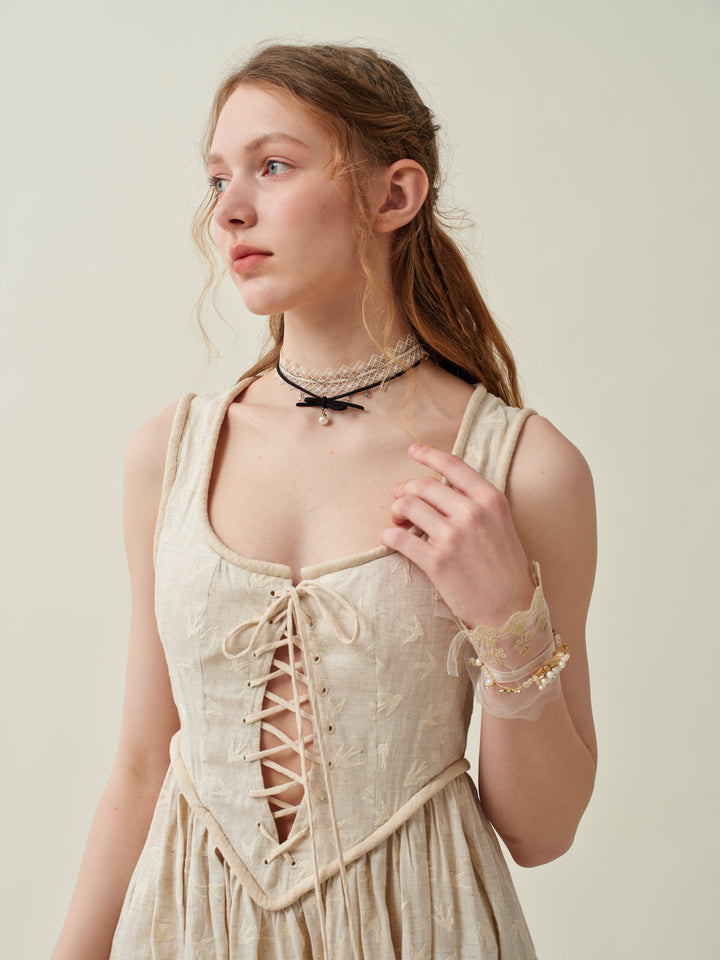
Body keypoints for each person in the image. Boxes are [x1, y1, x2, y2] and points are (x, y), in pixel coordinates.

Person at [51, 42, 597, 960]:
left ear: (394, 196)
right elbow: (142, 764)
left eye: (272, 166)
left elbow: (542, 832)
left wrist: (509, 621)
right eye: (218, 177)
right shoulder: (170, 457)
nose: (229, 209)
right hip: (191, 931)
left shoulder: (521, 469)